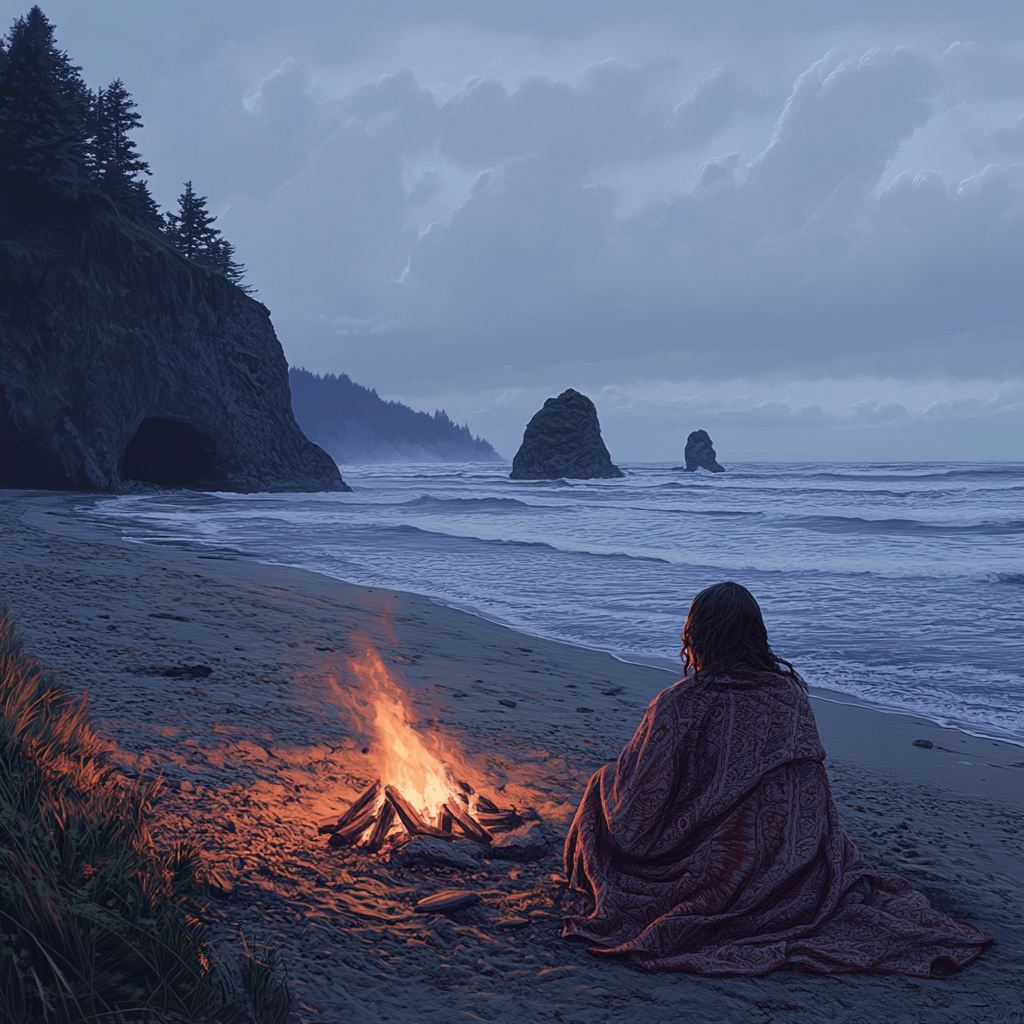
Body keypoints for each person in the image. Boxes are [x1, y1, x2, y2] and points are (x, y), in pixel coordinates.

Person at [563, 581, 992, 975]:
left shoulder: (679, 703)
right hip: (789, 855)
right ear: (755, 632)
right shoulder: (787, 696)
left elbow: (640, 802)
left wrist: (611, 783)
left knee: (605, 782)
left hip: (708, 858)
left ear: (697, 633)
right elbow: (811, 795)